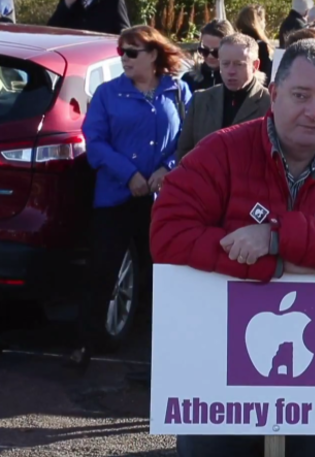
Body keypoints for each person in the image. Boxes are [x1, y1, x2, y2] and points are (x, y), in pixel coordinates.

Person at [150, 38, 315, 457]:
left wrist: (276, 237)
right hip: (215, 378)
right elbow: (168, 233)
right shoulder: (221, 151)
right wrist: (278, 266)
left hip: (314, 387)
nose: (314, 111)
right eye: (301, 95)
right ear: (275, 94)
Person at [68, 25, 191, 370]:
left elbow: (188, 140)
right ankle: (85, 343)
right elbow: (96, 143)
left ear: (153, 55)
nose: (124, 59)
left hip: (162, 199)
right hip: (116, 196)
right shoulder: (109, 93)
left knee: (162, 272)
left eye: (132, 52)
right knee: (102, 269)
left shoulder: (178, 91)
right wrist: (130, 175)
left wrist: (168, 168)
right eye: (121, 52)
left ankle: (161, 349)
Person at [176, 33, 270, 161]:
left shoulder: (270, 104)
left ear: (255, 65)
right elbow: (184, 151)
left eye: (239, 64)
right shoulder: (201, 100)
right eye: (225, 64)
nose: (231, 71)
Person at [182, 19, 235, 93]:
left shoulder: (236, 80)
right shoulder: (190, 79)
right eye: (205, 50)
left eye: (216, 52)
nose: (210, 56)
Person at [236, 5, 273, 85]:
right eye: (263, 20)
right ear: (258, 21)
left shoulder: (234, 42)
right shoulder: (260, 45)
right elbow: (265, 74)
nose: (264, 23)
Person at [47, 0, 129, 34]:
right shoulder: (69, 4)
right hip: (72, 62)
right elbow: (50, 33)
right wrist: (66, 5)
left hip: (100, 62)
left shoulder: (113, 3)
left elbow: (124, 35)